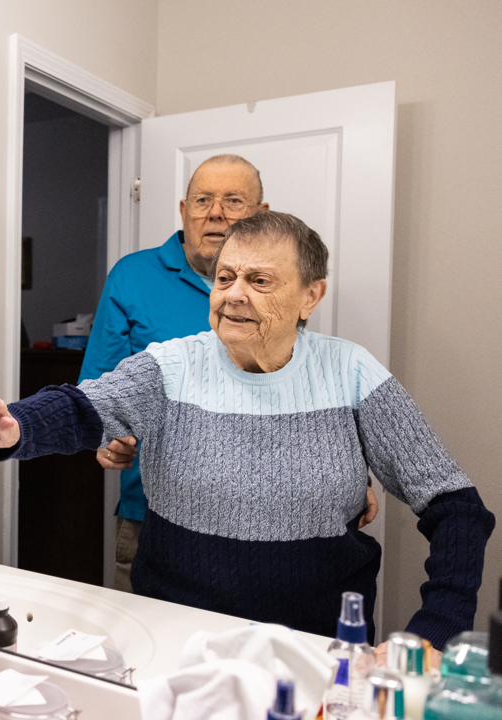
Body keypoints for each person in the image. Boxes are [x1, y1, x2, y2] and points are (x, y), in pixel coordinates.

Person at [0, 211, 493, 649]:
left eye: (259, 281)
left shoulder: (352, 372)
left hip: (315, 649)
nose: (234, 294)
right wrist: (11, 428)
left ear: (311, 295)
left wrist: (434, 633)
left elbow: (457, 508)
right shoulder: (170, 364)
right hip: (173, 640)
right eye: (226, 277)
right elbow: (84, 409)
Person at [81, 155, 378, 593]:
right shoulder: (132, 276)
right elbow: (97, 391)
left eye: (233, 201)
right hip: (157, 517)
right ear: (183, 211)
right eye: (202, 200)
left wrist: (347, 475)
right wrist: (109, 438)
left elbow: (304, 390)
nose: (215, 213)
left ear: (261, 216)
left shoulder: (281, 281)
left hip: (277, 524)